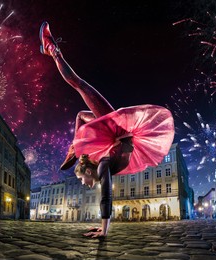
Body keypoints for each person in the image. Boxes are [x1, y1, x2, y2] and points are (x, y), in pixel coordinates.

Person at [39, 22, 174, 238]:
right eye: (82, 180)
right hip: (119, 129)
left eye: (82, 180)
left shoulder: (102, 164)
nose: (84, 184)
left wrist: (104, 229)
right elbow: (107, 198)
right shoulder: (102, 166)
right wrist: (104, 230)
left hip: (118, 130)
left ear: (88, 171)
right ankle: (52, 51)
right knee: (79, 88)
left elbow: (106, 196)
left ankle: (52, 51)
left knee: (80, 103)